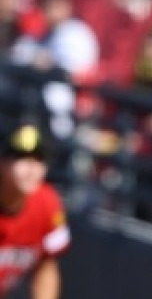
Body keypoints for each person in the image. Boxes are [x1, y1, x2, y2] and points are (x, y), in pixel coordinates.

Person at [0, 124, 70, 299]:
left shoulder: (46, 203)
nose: (31, 168)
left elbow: (46, 265)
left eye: (39, 159)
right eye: (22, 158)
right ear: (2, 163)